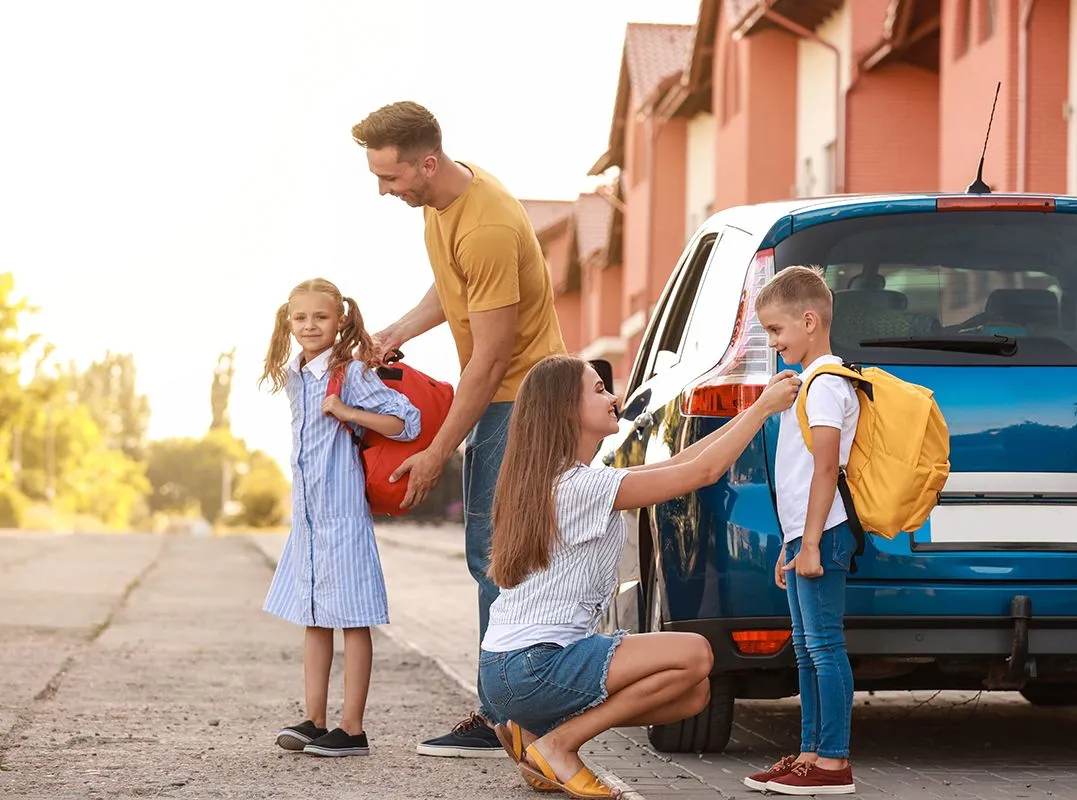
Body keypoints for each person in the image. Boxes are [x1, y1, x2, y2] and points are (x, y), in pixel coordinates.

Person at [481, 355, 802, 798]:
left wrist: (752, 407)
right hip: (535, 665)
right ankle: (560, 745)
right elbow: (703, 473)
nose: (614, 398)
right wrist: (765, 410)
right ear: (565, 410)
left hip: (505, 671)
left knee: (692, 696)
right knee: (695, 654)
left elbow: (688, 459)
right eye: (598, 390)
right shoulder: (583, 487)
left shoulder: (561, 481)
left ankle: (535, 733)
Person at [351, 100, 567, 758]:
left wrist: (439, 452)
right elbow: (452, 291)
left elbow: (492, 359)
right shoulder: (446, 207)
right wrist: (394, 331)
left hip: (523, 399)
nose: (385, 192)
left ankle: (506, 715)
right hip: (504, 394)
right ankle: (507, 709)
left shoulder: (488, 225)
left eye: (390, 178)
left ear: (426, 162)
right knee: (498, 556)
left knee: (501, 558)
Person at [260, 278, 422, 758]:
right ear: (288, 323)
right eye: (300, 318)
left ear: (340, 320)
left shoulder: (348, 373)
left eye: (321, 317)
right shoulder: (294, 373)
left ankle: (352, 729)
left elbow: (406, 420)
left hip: (344, 517)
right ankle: (314, 720)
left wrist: (347, 411)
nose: (310, 325)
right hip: (308, 520)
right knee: (314, 618)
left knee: (353, 621)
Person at [743, 265, 860, 795]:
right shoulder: (808, 384)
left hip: (824, 532)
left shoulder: (828, 383)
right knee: (807, 649)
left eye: (776, 331)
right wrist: (792, 543)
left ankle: (833, 762)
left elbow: (825, 468)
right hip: (806, 534)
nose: (773, 342)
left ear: (809, 321)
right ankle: (810, 754)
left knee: (824, 645)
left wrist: (811, 542)